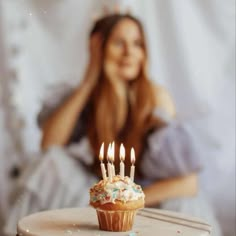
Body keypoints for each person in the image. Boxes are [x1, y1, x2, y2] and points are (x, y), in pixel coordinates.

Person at [4, 14, 222, 236]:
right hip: (98, 198)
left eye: (137, 44)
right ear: (99, 51)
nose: (129, 52)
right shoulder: (89, 100)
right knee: (51, 164)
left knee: (184, 207)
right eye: (119, 43)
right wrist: (90, 78)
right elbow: (49, 144)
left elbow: (188, 183)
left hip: (150, 199)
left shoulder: (155, 99)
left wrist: (125, 198)